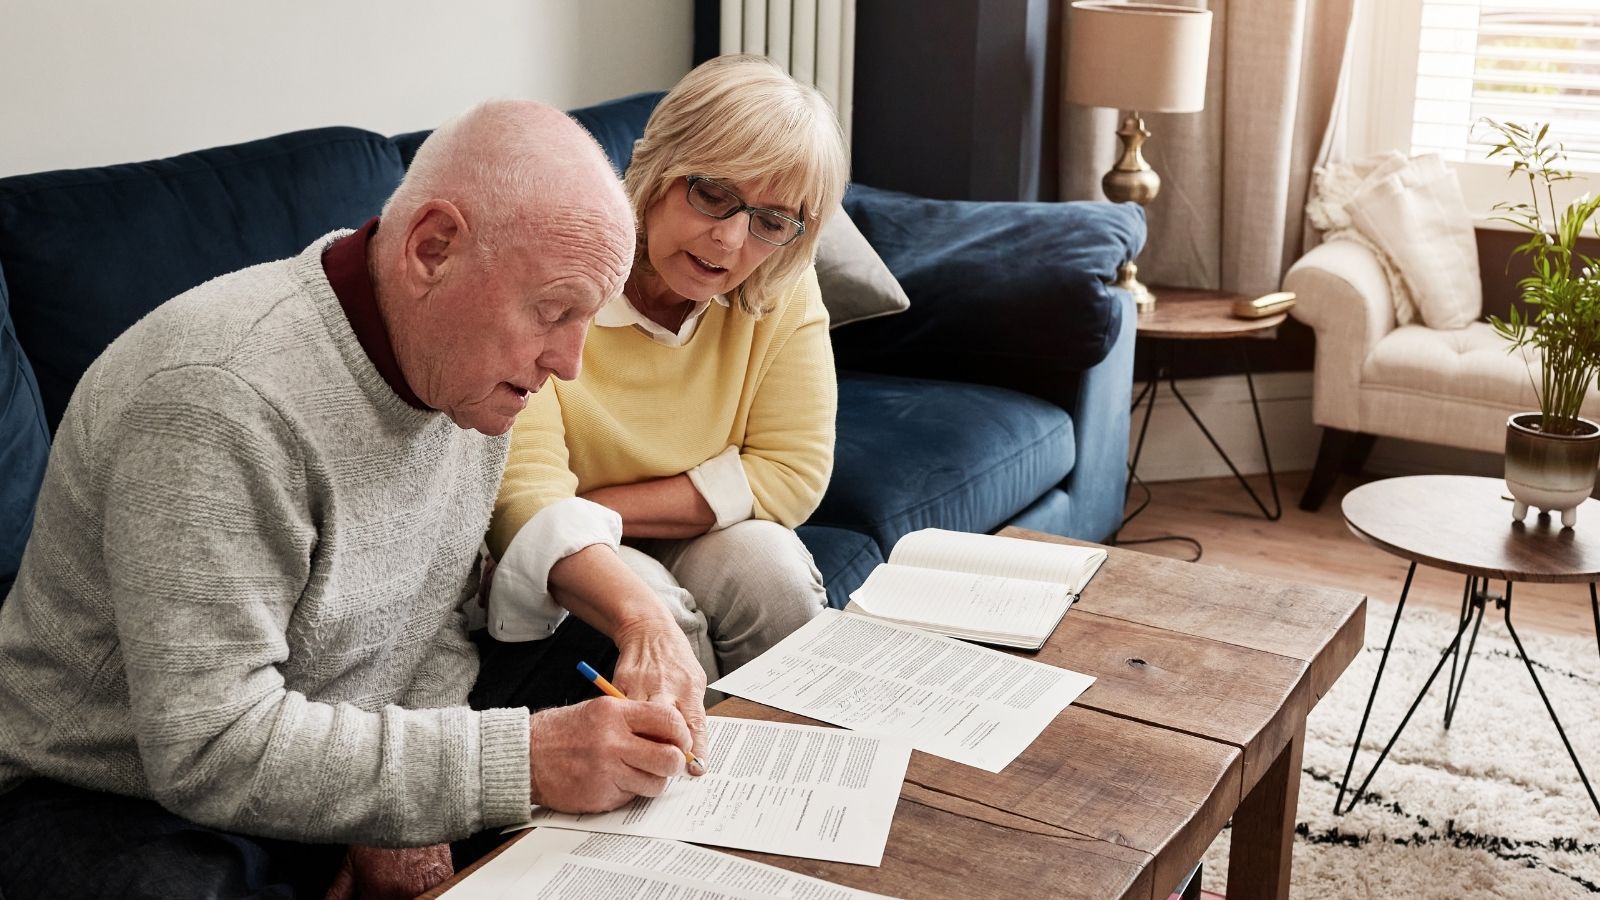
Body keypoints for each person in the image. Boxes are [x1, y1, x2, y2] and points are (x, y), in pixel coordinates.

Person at [0, 100, 697, 899]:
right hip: (115, 787)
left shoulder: (466, 370)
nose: (568, 364)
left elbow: (430, 619)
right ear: (432, 249)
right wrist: (518, 763)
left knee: (607, 675)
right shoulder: (215, 400)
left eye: (586, 320)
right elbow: (209, 746)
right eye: (553, 311)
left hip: (334, 722)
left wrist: (414, 815)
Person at [485, 55, 850, 696]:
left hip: (628, 522)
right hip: (570, 550)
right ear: (656, 170)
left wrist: (595, 509)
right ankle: (698, 789)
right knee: (660, 615)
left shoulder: (780, 284)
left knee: (773, 573)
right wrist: (584, 523)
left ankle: (803, 774)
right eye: (713, 195)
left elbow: (792, 472)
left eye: (770, 220)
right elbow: (527, 497)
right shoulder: (556, 269)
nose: (732, 241)